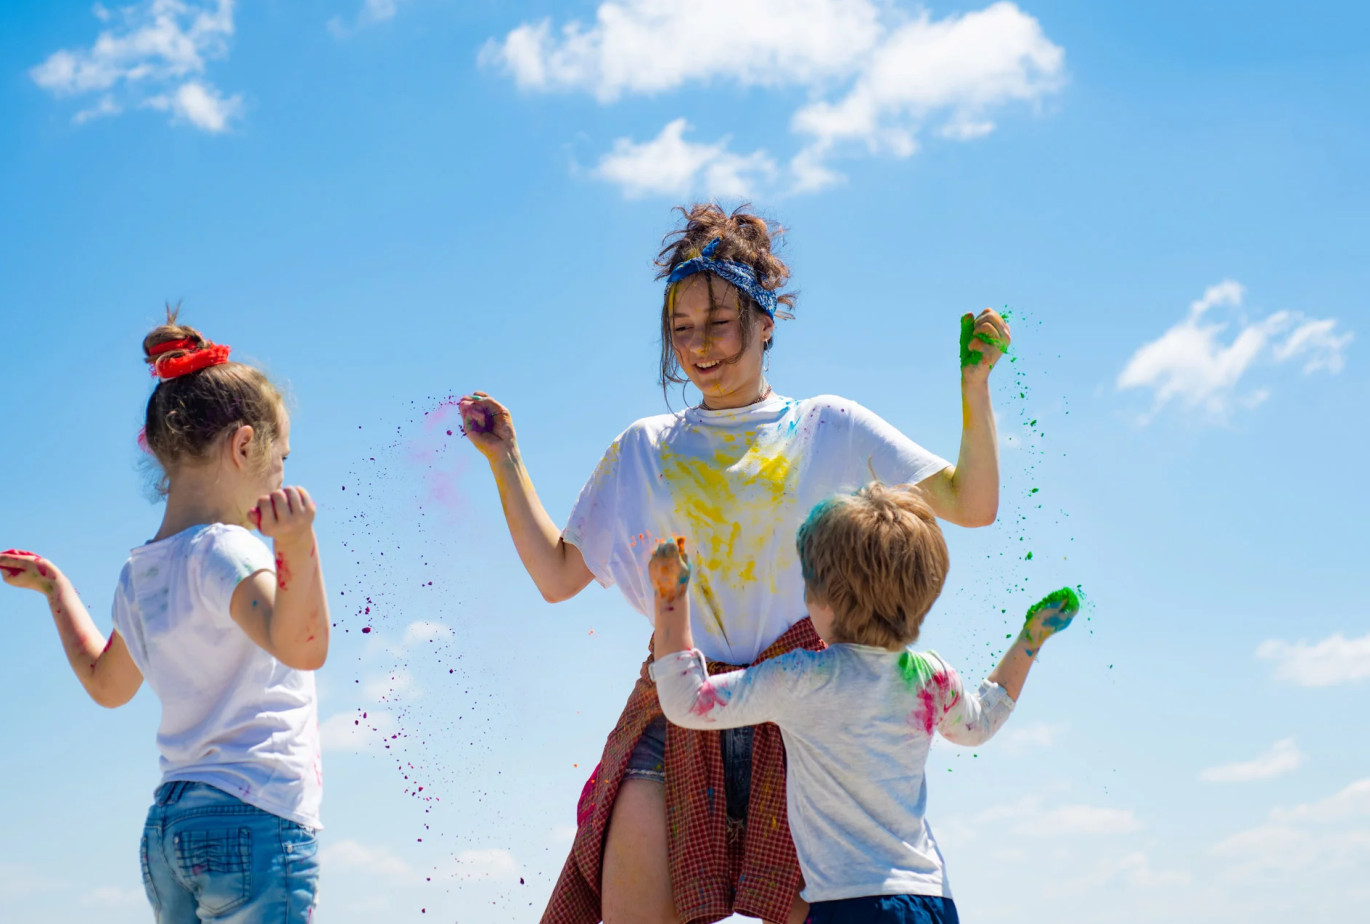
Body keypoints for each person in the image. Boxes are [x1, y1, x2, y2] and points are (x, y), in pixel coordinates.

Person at [458, 204, 1011, 924]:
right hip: (680, 705)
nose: (698, 346)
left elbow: (972, 502)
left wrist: (975, 386)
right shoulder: (644, 447)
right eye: (681, 330)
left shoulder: (829, 427)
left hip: (809, 718)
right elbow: (558, 576)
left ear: (766, 322)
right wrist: (506, 461)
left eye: (718, 324)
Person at [0, 311, 329, 924]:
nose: (283, 472)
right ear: (244, 445)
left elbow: (107, 684)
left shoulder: (141, 573)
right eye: (281, 456)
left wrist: (56, 589)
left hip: (170, 828)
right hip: (253, 815)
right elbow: (302, 646)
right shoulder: (227, 551)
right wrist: (298, 545)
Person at [649, 485, 1080, 924]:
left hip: (850, 905)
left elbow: (688, 702)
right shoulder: (930, 677)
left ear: (823, 599)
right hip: (931, 900)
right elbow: (983, 721)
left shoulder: (803, 677)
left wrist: (672, 598)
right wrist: (1029, 639)